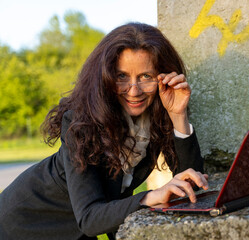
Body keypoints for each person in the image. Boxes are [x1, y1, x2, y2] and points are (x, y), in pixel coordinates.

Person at [0, 23, 208, 240]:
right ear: (105, 78)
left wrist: (178, 116)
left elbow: (193, 184)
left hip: (74, 231)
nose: (134, 90)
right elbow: (90, 217)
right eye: (121, 77)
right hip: (20, 225)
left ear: (161, 77)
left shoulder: (153, 120)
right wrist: (150, 196)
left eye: (146, 76)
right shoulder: (81, 123)